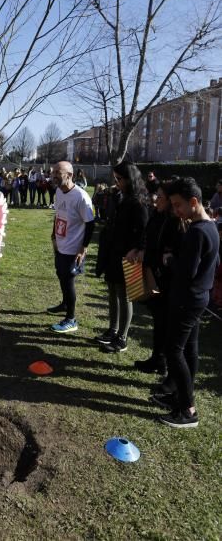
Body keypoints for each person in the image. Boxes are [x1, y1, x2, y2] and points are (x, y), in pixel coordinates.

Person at [156, 177, 219, 428]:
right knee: (189, 349)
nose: (176, 211)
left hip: (187, 298)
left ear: (194, 202)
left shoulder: (196, 232)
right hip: (198, 298)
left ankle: (188, 409)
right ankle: (180, 396)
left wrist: (170, 259)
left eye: (178, 205)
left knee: (173, 350)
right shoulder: (210, 227)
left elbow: (186, 271)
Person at [95, 160, 148, 353]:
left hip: (129, 255)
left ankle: (122, 337)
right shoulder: (120, 197)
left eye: (119, 179)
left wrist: (137, 249)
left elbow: (144, 230)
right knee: (112, 291)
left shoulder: (139, 202)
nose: (116, 182)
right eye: (115, 178)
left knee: (125, 295)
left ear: (129, 179)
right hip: (114, 251)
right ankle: (112, 329)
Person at [134, 182, 185, 375]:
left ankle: (163, 364)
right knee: (158, 320)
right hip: (154, 275)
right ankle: (156, 358)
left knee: (165, 324)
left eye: (161, 197)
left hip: (167, 281)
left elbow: (168, 254)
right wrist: (140, 249)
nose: (156, 200)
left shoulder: (176, 223)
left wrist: (148, 256)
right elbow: (148, 237)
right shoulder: (157, 215)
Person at [49, 161, 95, 334]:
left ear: (69, 174)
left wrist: (83, 248)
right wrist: (53, 235)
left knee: (68, 280)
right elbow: (58, 215)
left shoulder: (81, 197)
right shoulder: (58, 192)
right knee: (60, 274)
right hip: (60, 244)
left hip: (73, 248)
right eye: (53, 172)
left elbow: (90, 224)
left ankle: (71, 319)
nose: (53, 175)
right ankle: (64, 304)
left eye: (57, 172)